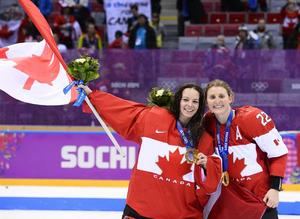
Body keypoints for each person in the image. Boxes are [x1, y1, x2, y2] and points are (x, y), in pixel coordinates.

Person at [80, 83, 222, 218]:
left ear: (200, 105)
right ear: (178, 100)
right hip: (141, 210)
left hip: (182, 214)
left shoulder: (204, 138)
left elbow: (210, 184)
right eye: (185, 99)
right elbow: (123, 110)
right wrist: (93, 97)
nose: (189, 105)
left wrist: (206, 164)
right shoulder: (154, 118)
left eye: (195, 101)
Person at [202, 79, 288, 219]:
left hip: (259, 196)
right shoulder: (208, 122)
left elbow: (278, 154)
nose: (217, 101)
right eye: (212, 97)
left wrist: (275, 189)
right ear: (207, 102)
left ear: (230, 98)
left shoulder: (252, 118)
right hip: (230, 197)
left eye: (221, 96)